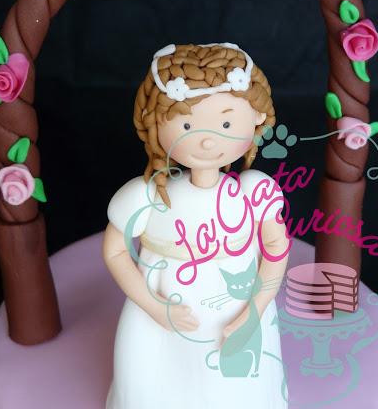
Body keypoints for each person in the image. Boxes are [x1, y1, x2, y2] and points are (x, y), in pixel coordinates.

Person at [103, 42, 289, 409]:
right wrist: (153, 307)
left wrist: (255, 309)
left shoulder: (254, 191)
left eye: (225, 123)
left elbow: (275, 250)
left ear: (256, 117)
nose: (206, 140)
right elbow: (115, 251)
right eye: (187, 125)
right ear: (156, 124)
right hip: (161, 317)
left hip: (235, 314)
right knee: (155, 382)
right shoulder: (147, 196)